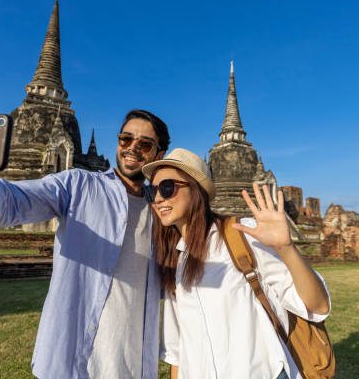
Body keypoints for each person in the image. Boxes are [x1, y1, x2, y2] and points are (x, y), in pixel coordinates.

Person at [0, 103, 170, 379]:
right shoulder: (77, 185)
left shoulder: (163, 211)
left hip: (132, 362)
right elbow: (11, 203)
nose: (132, 148)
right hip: (73, 360)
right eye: (126, 139)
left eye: (144, 144)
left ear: (159, 154)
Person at [141, 148, 331, 379]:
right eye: (151, 191)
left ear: (196, 190)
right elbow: (177, 350)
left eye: (167, 188)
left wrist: (286, 248)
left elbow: (316, 306)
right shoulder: (176, 260)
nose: (158, 198)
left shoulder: (242, 236)